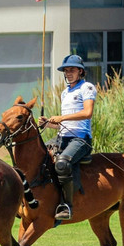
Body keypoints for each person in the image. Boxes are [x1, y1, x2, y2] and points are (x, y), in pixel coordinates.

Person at [39, 53, 95, 221]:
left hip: (81, 139)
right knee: (40, 157)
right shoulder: (65, 93)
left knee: (62, 163)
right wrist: (48, 124)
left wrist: (61, 117)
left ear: (80, 71)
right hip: (62, 137)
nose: (68, 73)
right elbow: (63, 124)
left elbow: (87, 113)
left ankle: (67, 206)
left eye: (72, 70)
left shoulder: (87, 87)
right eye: (66, 70)